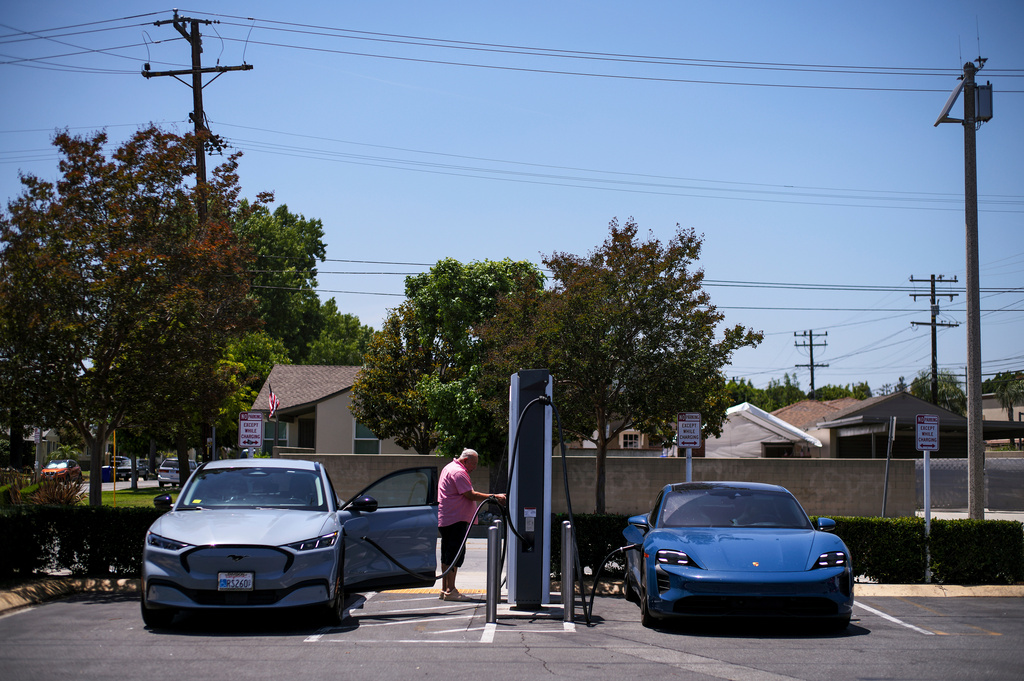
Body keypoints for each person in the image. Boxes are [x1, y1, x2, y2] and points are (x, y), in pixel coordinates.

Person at [437, 448, 506, 601]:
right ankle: (451, 590)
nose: (474, 467)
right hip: (456, 518)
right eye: (474, 464)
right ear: (466, 460)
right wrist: (494, 497)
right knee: (455, 554)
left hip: (447, 517)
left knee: (447, 554)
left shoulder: (448, 468)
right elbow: (470, 494)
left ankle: (444, 589)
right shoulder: (459, 472)